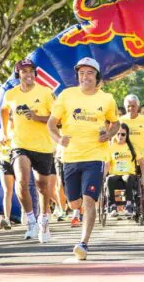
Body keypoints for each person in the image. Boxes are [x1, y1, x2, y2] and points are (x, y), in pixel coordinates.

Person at [47, 57, 120, 261]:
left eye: (89, 73)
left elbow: (115, 123)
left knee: (89, 200)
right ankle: (76, 209)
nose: (85, 76)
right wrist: (59, 139)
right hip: (70, 157)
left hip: (95, 156)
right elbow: (51, 124)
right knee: (74, 203)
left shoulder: (106, 99)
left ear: (97, 76)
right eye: (81, 73)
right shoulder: (66, 95)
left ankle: (83, 243)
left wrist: (108, 134)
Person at [0, 59, 56, 243]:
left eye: (31, 70)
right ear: (18, 74)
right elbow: (4, 110)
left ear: (35, 73)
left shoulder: (46, 93)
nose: (28, 74)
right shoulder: (11, 94)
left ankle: (44, 220)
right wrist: (6, 132)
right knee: (22, 180)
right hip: (20, 144)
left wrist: (36, 116)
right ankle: (31, 220)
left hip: (43, 146)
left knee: (42, 186)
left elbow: (57, 120)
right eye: (24, 71)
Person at [105, 123, 142, 218]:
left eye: (123, 134)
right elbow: (107, 164)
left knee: (128, 177)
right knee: (109, 179)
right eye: (118, 134)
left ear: (127, 135)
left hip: (129, 175)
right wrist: (102, 177)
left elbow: (142, 162)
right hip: (115, 175)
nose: (120, 136)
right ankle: (112, 206)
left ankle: (129, 205)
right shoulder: (111, 147)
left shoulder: (132, 146)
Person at [121, 95, 144, 171]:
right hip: (125, 159)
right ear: (125, 106)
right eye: (128, 106)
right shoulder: (121, 120)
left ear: (138, 106)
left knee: (140, 182)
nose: (130, 108)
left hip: (141, 160)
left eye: (133, 106)